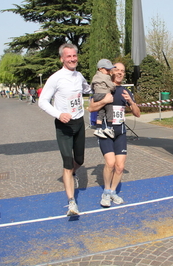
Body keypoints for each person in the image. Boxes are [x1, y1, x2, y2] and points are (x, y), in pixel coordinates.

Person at [38, 43, 91, 216]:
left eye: (74, 56)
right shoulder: (56, 78)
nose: (72, 59)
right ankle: (71, 203)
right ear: (62, 59)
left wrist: (98, 88)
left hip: (79, 123)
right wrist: (59, 114)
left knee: (80, 161)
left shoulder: (79, 75)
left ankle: (70, 174)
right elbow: (42, 101)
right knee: (67, 163)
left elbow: (86, 88)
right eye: (68, 56)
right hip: (64, 126)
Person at [88, 62, 140, 207]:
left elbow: (137, 114)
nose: (119, 72)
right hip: (105, 131)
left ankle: (112, 192)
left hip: (120, 132)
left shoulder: (125, 91)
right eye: (117, 69)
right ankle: (105, 192)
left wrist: (130, 102)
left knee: (120, 167)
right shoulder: (103, 87)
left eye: (122, 71)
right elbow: (90, 108)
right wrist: (105, 100)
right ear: (111, 71)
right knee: (110, 163)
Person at [91, 59, 116, 139]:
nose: (109, 72)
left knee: (100, 112)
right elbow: (111, 86)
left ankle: (98, 128)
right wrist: (113, 88)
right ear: (100, 68)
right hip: (105, 94)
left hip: (97, 95)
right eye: (107, 70)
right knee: (109, 111)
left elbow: (91, 86)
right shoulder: (106, 77)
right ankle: (109, 128)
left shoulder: (95, 76)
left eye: (109, 70)